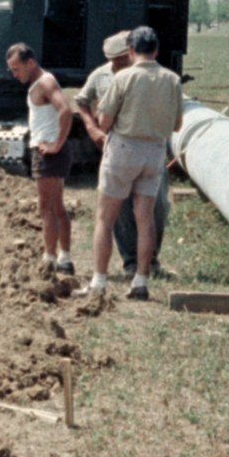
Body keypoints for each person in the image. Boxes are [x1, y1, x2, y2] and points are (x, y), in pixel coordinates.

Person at [80, 25, 183, 301]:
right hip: (155, 152)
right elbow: (177, 124)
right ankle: (140, 281)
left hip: (125, 148)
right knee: (145, 218)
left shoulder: (123, 78)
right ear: (156, 50)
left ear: (130, 50)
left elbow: (104, 121)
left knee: (105, 217)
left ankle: (99, 282)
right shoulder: (173, 79)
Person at [74, 31, 144, 275]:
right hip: (115, 147)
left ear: (131, 54)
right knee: (121, 207)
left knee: (155, 207)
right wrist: (92, 129)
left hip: (144, 145)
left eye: (121, 59)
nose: (116, 64)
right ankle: (131, 262)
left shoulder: (145, 74)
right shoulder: (101, 75)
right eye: (112, 59)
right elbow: (81, 101)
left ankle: (149, 260)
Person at [5, 42, 75, 275]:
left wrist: (56, 144)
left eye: (17, 69)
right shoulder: (38, 83)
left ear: (30, 63)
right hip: (49, 150)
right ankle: (64, 259)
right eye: (12, 70)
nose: (15, 74)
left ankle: (50, 261)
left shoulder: (45, 82)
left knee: (45, 208)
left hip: (48, 153)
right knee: (56, 207)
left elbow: (66, 110)